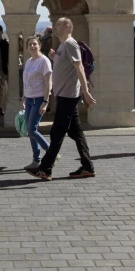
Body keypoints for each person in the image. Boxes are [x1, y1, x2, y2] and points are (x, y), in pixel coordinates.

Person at [27, 18, 96, 180]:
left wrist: (85, 91)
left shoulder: (71, 44)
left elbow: (78, 67)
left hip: (68, 96)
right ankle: (87, 167)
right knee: (76, 133)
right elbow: (64, 67)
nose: (55, 26)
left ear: (67, 26)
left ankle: (45, 169)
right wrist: (53, 57)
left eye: (58, 24)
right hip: (64, 95)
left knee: (57, 133)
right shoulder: (63, 46)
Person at [21, 37, 53, 170]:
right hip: (29, 99)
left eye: (35, 44)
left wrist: (45, 102)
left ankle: (51, 152)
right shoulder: (28, 61)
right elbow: (26, 81)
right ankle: (36, 160)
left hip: (39, 99)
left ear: (40, 45)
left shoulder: (44, 61)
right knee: (30, 131)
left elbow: (48, 83)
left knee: (31, 129)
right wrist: (23, 97)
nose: (32, 46)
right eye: (30, 44)